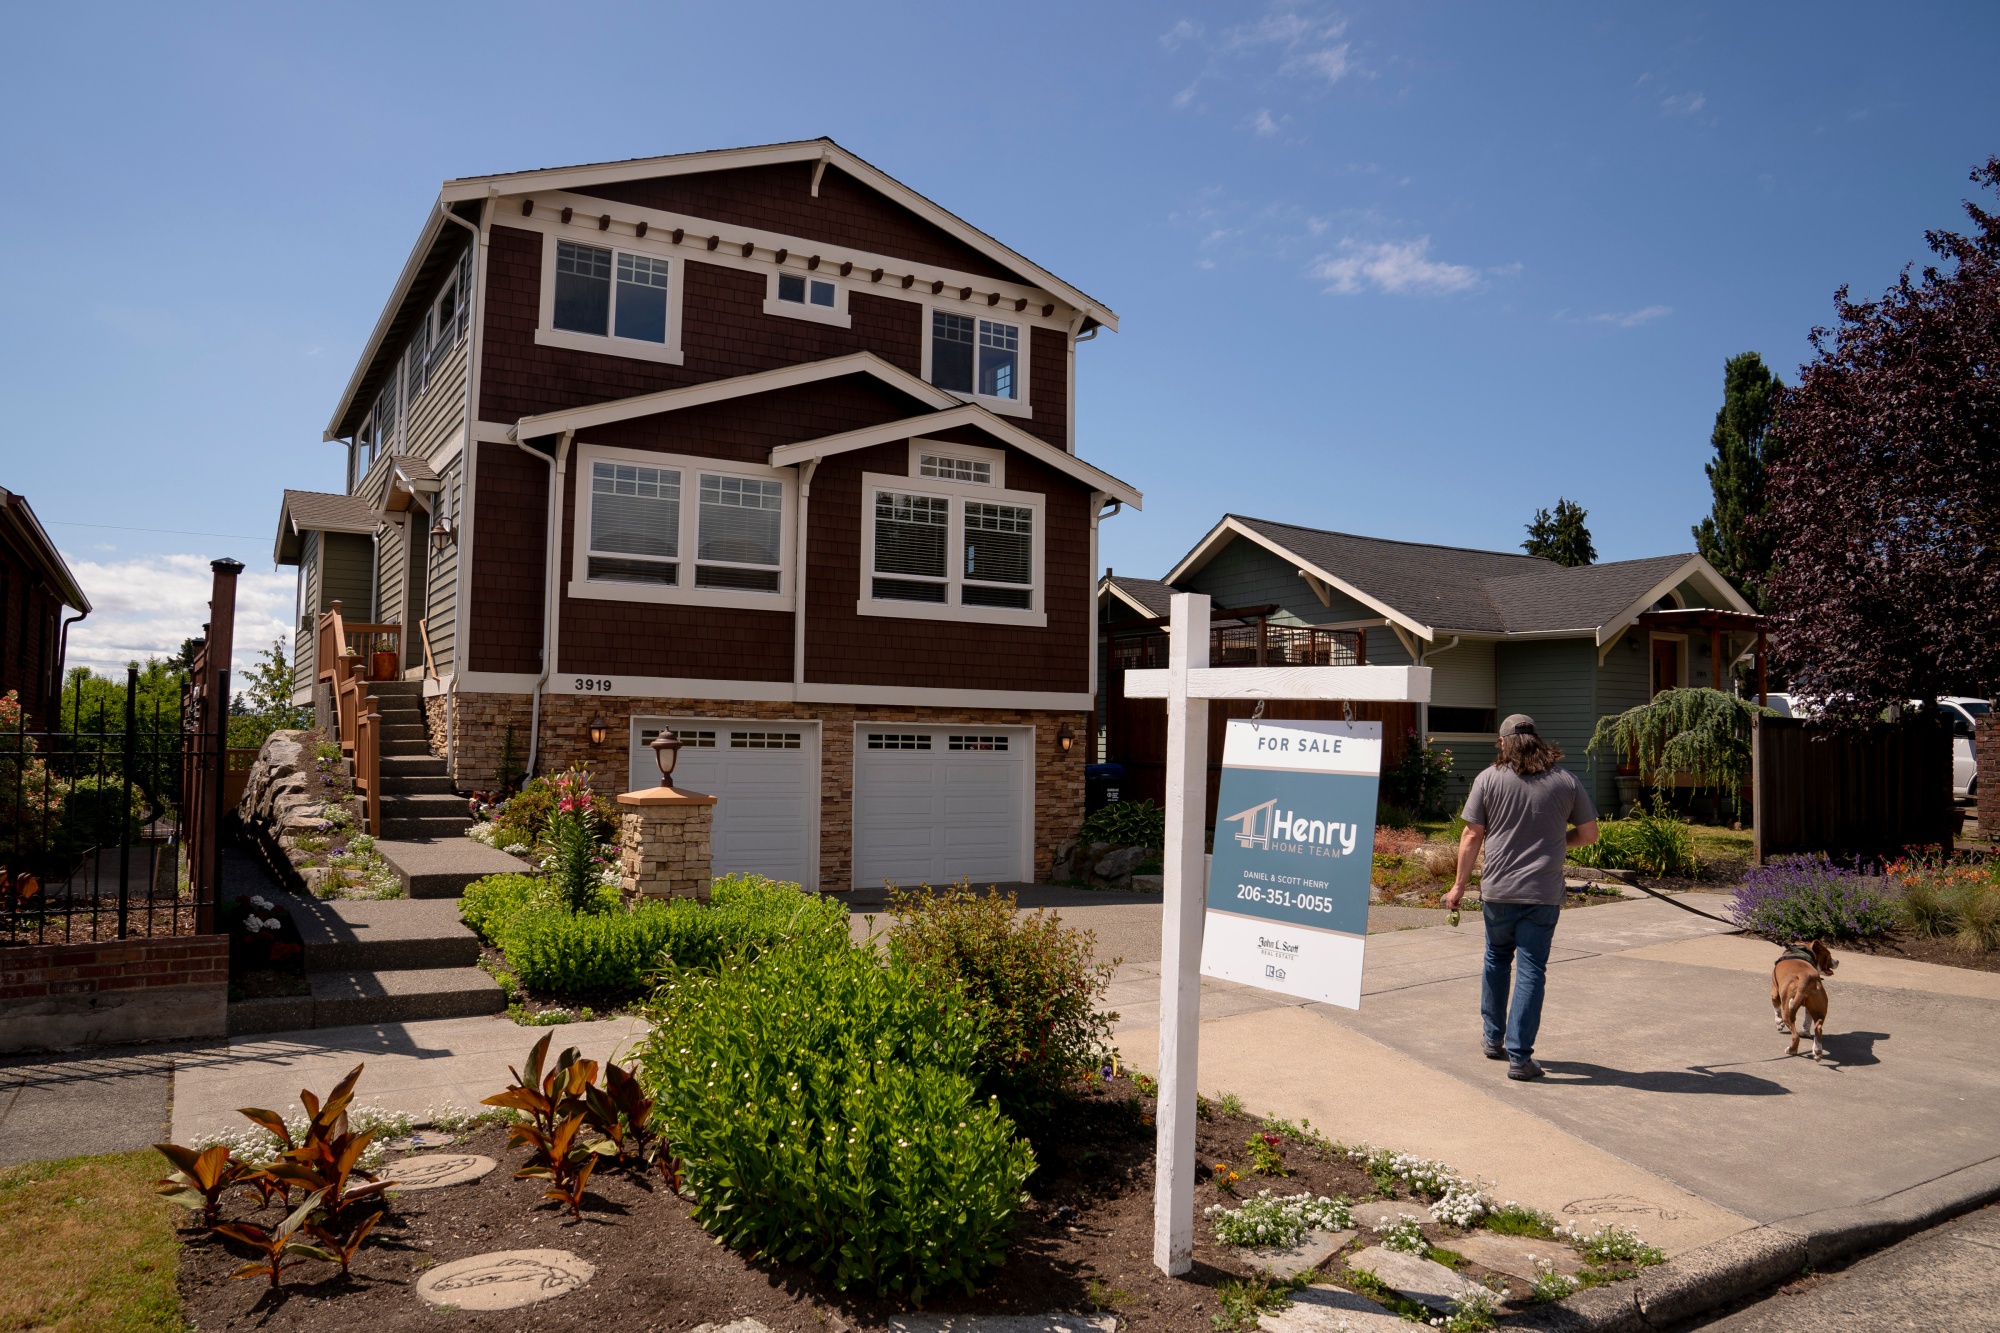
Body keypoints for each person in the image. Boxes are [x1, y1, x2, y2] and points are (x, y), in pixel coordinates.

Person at [1442, 714, 1598, 1081]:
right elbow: (1589, 834)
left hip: (1499, 892)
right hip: (1542, 894)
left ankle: (1492, 1038)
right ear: (1536, 740)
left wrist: (1459, 886)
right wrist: (1559, 842)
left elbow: (1471, 835)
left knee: (1496, 959)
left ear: (1504, 743)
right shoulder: (1566, 781)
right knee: (1531, 969)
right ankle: (1520, 1057)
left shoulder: (1488, 779)